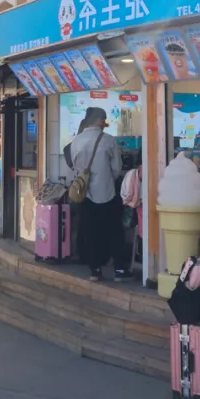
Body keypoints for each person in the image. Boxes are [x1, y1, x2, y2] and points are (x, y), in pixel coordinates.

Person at [68, 107, 132, 282]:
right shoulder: (108, 140)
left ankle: (95, 270)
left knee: (90, 231)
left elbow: (75, 167)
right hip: (107, 193)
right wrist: (106, 179)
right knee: (114, 231)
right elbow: (117, 168)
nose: (105, 123)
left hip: (84, 193)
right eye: (104, 120)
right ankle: (119, 270)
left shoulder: (76, 141)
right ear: (99, 120)